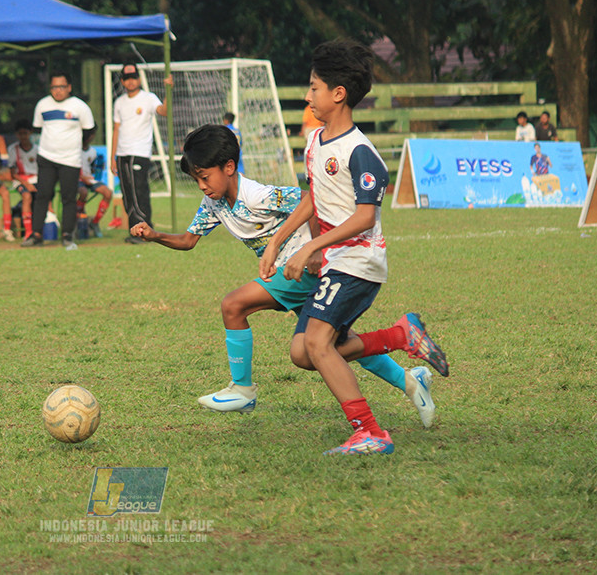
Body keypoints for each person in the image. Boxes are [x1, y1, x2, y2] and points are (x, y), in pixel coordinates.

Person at [131, 124, 439, 429]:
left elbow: (310, 199)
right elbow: (188, 241)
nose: (201, 185)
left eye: (204, 176)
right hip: (295, 278)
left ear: (228, 167)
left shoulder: (258, 196)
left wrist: (316, 250)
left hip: (304, 271)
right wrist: (155, 235)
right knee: (336, 345)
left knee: (234, 305)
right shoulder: (214, 203)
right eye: (196, 179)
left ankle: (243, 389)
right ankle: (411, 381)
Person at [260, 39, 449, 456]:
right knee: (301, 352)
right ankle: (401, 334)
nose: (308, 95)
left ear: (338, 94)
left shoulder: (360, 152)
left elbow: (365, 217)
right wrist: (278, 241)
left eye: (313, 88)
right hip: (335, 263)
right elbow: (314, 198)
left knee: (316, 344)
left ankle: (370, 432)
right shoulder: (315, 143)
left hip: (359, 263)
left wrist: (311, 249)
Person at [23, 72, 96, 249]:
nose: (58, 91)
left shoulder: (80, 107)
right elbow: (39, 128)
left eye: (61, 87)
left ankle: (67, 236)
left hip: (70, 160)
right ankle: (37, 235)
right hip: (46, 157)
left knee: (68, 198)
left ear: (69, 87)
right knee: (42, 196)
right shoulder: (42, 105)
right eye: (54, 87)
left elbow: (88, 130)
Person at [110, 64, 169, 244]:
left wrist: (169, 91)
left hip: (139, 152)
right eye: (127, 78)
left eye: (134, 77)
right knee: (127, 194)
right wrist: (113, 157)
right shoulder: (119, 102)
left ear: (139, 79)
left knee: (139, 191)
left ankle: (145, 230)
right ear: (122, 81)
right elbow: (116, 129)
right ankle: (135, 230)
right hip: (122, 153)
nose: (131, 81)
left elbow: (163, 111)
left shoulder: (148, 98)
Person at [77, 127, 113, 238]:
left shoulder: (92, 152)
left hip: (89, 179)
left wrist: (97, 169)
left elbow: (93, 170)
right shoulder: (74, 150)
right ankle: (80, 219)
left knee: (108, 193)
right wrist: (82, 177)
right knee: (83, 192)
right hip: (76, 179)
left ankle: (95, 222)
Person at [7, 120, 38, 239]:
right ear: (17, 135)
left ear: (30, 133)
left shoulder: (37, 149)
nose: (23, 136)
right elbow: (13, 173)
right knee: (26, 196)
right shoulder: (13, 149)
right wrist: (26, 183)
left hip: (36, 179)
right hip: (20, 180)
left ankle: (45, 227)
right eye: (20, 134)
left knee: (44, 197)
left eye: (25, 133)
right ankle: (28, 231)